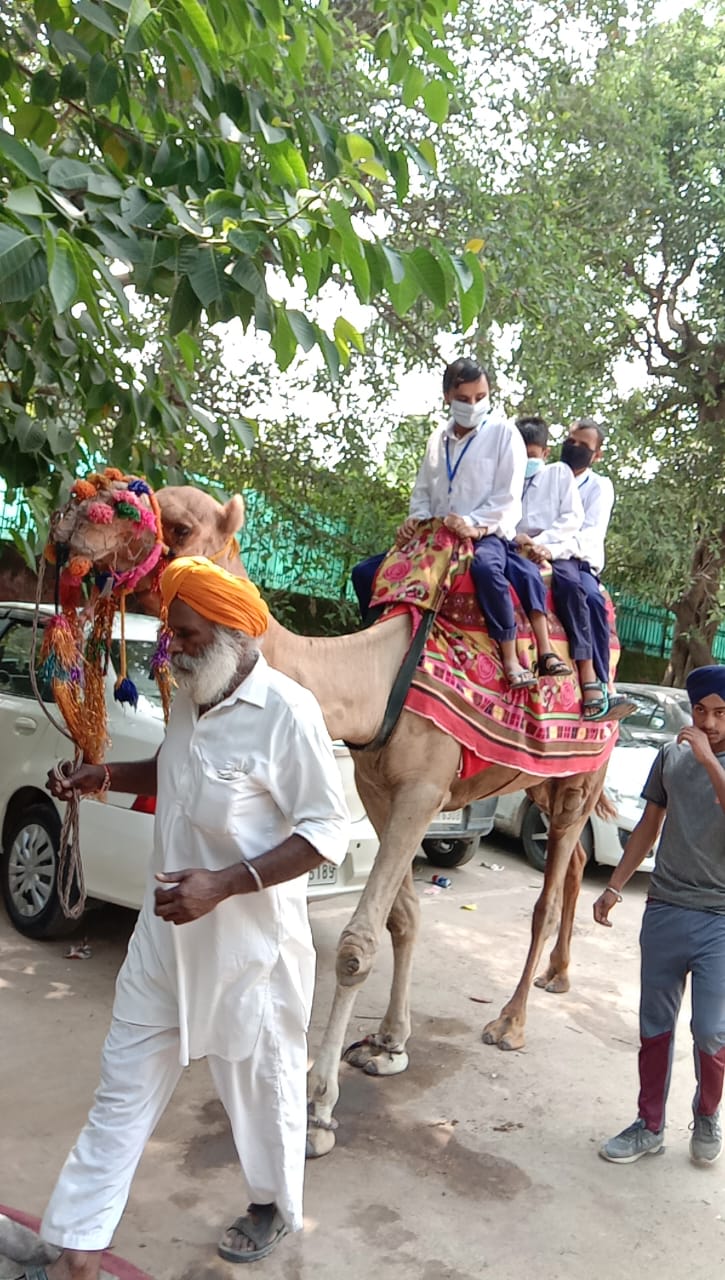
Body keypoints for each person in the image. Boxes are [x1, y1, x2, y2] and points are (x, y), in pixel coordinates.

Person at [28, 556, 350, 1277]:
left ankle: (271, 1206)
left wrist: (226, 885)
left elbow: (325, 831)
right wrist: (105, 775)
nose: (172, 648)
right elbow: (176, 768)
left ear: (234, 635)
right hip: (163, 939)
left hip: (250, 952)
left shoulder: (288, 712)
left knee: (261, 1091)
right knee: (121, 1089)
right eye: (172, 633)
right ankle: (78, 1244)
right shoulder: (189, 694)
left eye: (187, 635)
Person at [595, 664, 725, 1167]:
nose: (708, 723)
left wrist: (708, 759)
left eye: (721, 713)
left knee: (711, 1031)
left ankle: (707, 1114)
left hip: (719, 920)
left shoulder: (703, 755)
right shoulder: (670, 757)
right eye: (700, 711)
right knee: (655, 1025)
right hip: (666, 908)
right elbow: (650, 824)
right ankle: (648, 1125)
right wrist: (614, 885)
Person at [352, 357, 533, 688]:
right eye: (464, 398)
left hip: (484, 534)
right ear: (448, 396)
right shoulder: (438, 438)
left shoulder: (504, 434)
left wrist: (474, 525)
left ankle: (509, 656)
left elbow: (507, 499)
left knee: (486, 571)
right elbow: (423, 491)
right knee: (365, 573)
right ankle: (374, 643)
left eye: (480, 397)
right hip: (435, 534)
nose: (473, 405)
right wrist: (414, 521)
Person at [550, 417, 629, 719]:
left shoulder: (599, 487)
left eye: (583, 445)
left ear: (597, 455)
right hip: (535, 549)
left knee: (591, 599)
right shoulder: (546, 477)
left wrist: (552, 549)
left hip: (575, 557)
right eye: (571, 441)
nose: (574, 448)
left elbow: (590, 534)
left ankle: (601, 680)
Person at [503, 414, 578, 681]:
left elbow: (571, 518)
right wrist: (515, 537)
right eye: (520, 454)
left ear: (545, 453)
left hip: (546, 547)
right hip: (508, 544)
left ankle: (548, 651)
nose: (525, 460)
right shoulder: (505, 476)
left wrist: (541, 542)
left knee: (536, 577)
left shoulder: (558, 474)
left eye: (532, 455)